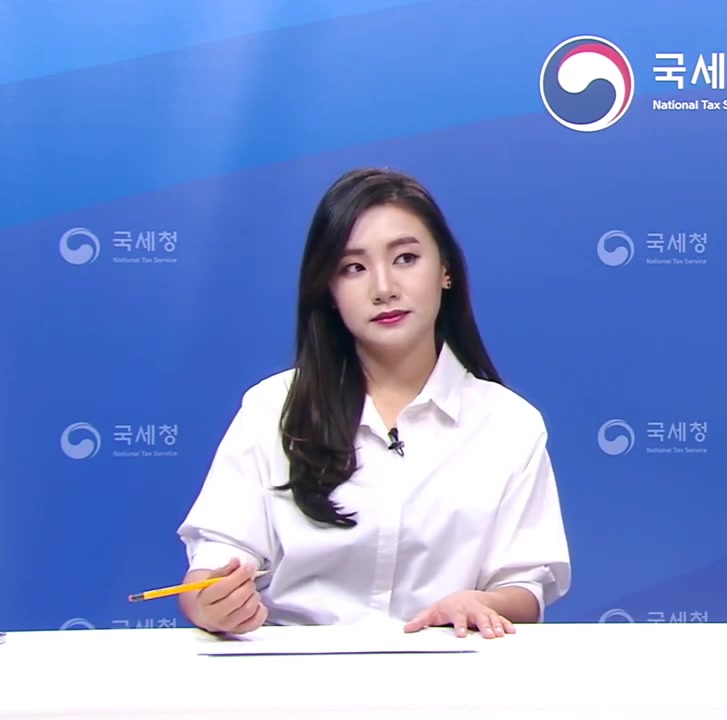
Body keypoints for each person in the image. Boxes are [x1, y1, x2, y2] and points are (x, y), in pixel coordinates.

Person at [176, 168, 571, 638]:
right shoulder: (272, 410)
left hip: (449, 667)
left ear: (445, 270)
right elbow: (214, 562)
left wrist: (484, 603)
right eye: (354, 268)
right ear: (329, 290)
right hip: (296, 673)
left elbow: (524, 584)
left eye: (406, 258)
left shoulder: (509, 424)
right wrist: (211, 603)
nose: (383, 288)